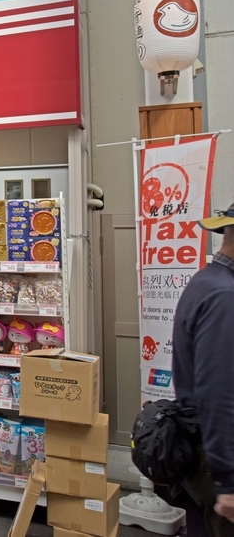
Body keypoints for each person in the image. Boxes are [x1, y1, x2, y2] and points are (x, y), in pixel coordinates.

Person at [173, 203, 234, 536]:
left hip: (201, 452)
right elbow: (219, 393)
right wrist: (227, 481)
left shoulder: (206, 281)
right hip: (216, 463)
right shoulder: (224, 295)